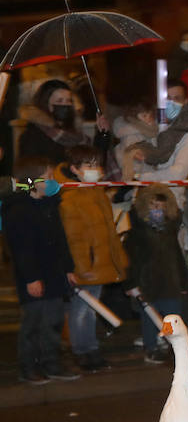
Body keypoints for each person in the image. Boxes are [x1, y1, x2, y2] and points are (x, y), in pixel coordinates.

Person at [2, 159, 80, 383]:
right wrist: (31, 278)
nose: (53, 181)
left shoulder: (50, 205)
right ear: (33, 181)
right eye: (48, 177)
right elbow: (21, 249)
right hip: (34, 277)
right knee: (33, 324)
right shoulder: (18, 210)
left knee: (53, 321)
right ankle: (28, 367)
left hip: (54, 274)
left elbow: (60, 240)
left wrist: (68, 268)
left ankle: (52, 363)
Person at [55, 145, 128, 372]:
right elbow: (74, 238)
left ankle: (90, 348)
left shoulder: (96, 193)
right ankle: (82, 350)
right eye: (88, 165)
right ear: (75, 169)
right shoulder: (71, 198)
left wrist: (118, 259)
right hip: (87, 265)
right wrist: (81, 267)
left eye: (96, 164)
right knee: (81, 309)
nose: (94, 169)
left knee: (90, 309)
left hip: (99, 262)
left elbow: (108, 232)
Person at [124, 183, 188, 364]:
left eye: (161, 206)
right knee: (149, 319)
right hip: (148, 284)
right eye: (153, 206)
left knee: (174, 317)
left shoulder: (169, 232)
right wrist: (131, 283)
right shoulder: (137, 235)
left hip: (170, 283)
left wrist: (183, 281)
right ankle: (151, 347)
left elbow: (177, 257)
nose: (158, 210)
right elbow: (130, 261)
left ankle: (174, 346)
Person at [18, 79, 110, 168]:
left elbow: (93, 164)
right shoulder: (32, 135)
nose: (66, 105)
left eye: (69, 101)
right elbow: (30, 171)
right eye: (59, 101)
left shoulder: (74, 134)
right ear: (46, 104)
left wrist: (102, 135)